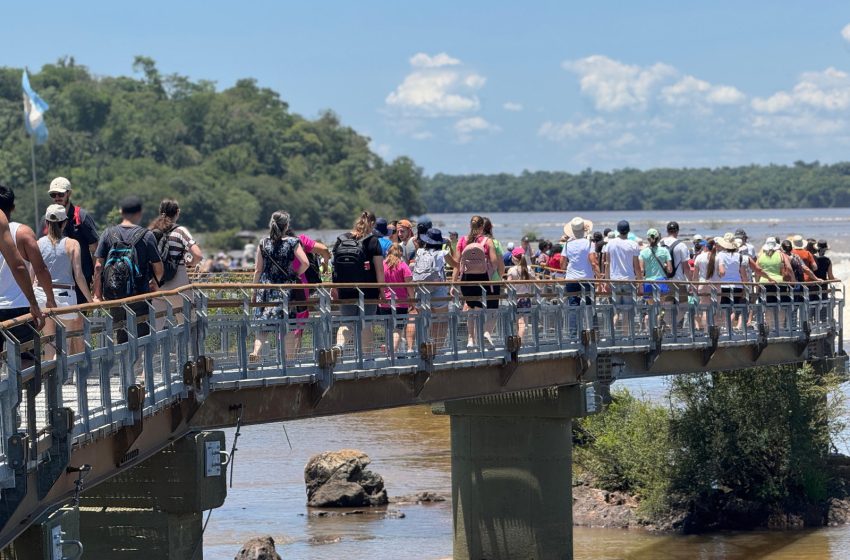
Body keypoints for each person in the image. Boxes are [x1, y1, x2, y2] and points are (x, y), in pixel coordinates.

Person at [93, 195, 163, 344]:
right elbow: (158, 266)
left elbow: (98, 266)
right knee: (142, 338)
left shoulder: (108, 233)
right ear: (139, 213)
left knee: (121, 336)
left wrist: (98, 294)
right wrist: (155, 284)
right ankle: (138, 367)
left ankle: (125, 366)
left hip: (115, 294)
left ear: (121, 212)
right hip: (139, 296)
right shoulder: (147, 236)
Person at [249, 211, 308, 362]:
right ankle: (288, 360)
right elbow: (306, 263)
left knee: (263, 326)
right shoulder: (292, 242)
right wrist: (294, 274)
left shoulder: (263, 243)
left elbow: (258, 270)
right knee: (287, 327)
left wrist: (254, 291)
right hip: (284, 290)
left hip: (265, 290)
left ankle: (256, 352)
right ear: (287, 225)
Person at [36, 204, 93, 360]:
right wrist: (90, 300)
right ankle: (64, 377)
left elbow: (32, 275)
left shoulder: (38, 244)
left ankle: (50, 380)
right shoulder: (72, 244)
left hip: (42, 295)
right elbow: (79, 275)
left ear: (46, 222)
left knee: (49, 341)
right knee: (66, 341)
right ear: (65, 222)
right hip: (65, 295)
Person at [0, 185, 46, 356]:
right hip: (17, 305)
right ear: (13, 207)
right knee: (27, 358)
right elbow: (21, 267)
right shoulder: (22, 231)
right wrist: (34, 303)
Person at [332, 211, 385, 353]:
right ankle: (366, 357)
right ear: (372, 224)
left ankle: (339, 346)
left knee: (347, 322)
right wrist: (382, 291)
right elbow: (380, 270)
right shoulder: (373, 241)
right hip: (368, 290)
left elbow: (334, 267)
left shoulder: (341, 239)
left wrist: (335, 288)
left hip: (345, 289)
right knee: (366, 324)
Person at [44, 177, 99, 308]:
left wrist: (96, 281)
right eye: (53, 194)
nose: (57, 197)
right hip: (58, 280)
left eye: (61, 194)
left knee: (80, 320)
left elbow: (95, 248)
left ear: (69, 193)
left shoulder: (82, 217)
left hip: (81, 278)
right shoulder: (47, 218)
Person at [454, 215, 501, 350]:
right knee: (480, 308)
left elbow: (457, 264)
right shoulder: (487, 241)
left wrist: (454, 283)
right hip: (482, 279)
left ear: (470, 226)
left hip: (466, 281)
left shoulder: (462, 241)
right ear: (482, 227)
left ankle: (470, 339)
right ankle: (482, 337)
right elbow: (494, 262)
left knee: (470, 307)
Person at [606, 220, 642, 329]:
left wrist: (606, 281)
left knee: (615, 311)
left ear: (618, 230)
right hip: (628, 280)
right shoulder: (633, 244)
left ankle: (610, 334)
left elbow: (607, 264)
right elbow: (637, 267)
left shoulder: (610, 244)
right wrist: (640, 283)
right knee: (627, 311)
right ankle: (626, 336)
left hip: (614, 280)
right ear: (628, 231)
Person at [378, 244, 414, 353]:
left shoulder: (382, 265)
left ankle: (389, 346)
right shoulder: (403, 265)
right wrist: (412, 300)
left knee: (389, 328)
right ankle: (392, 351)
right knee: (398, 329)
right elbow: (409, 285)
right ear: (401, 253)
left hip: (384, 302)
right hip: (401, 302)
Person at [562, 217, 601, 306]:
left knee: (573, 306)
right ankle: (588, 320)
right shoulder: (589, 243)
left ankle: (574, 320)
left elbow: (562, 264)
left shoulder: (567, 244)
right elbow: (594, 263)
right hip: (587, 278)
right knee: (588, 305)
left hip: (571, 279)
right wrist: (599, 279)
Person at [506, 246, 535, 338]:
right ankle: (520, 340)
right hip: (526, 298)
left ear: (514, 258)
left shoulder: (512, 270)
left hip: (515, 298)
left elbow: (508, 284)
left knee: (520, 322)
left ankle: (519, 341)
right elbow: (534, 280)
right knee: (523, 322)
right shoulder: (529, 269)